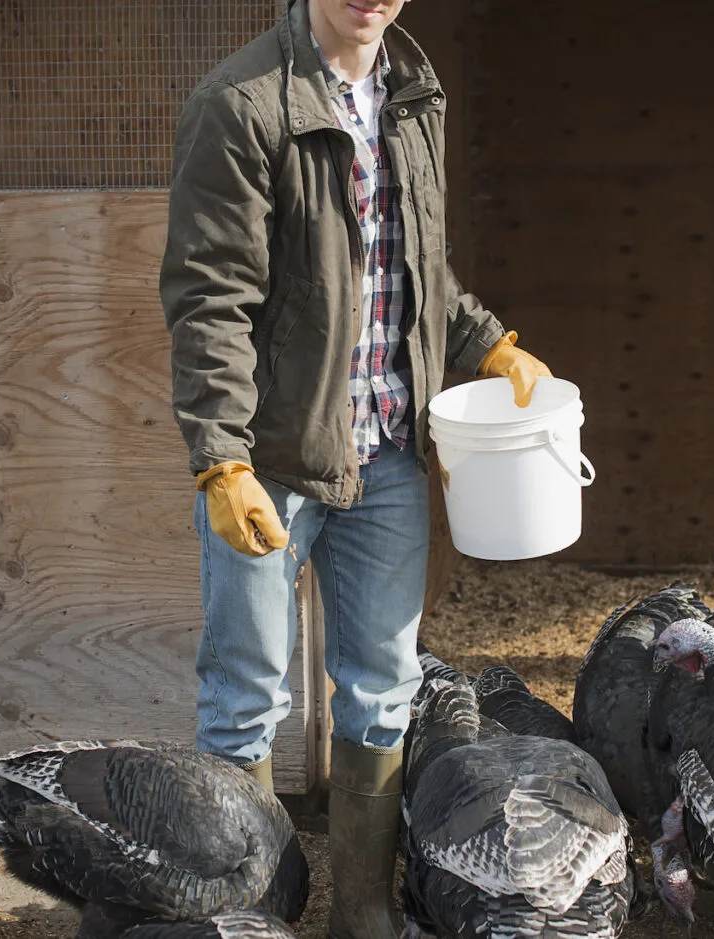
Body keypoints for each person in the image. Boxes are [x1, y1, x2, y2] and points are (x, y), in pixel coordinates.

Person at [159, 1, 552, 936]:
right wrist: (222, 458)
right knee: (246, 693)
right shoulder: (243, 102)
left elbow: (417, 266)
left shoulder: (414, 95)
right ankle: (246, 910)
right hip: (275, 460)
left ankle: (365, 910)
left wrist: (489, 344)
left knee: (383, 687)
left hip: (386, 454)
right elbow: (208, 296)